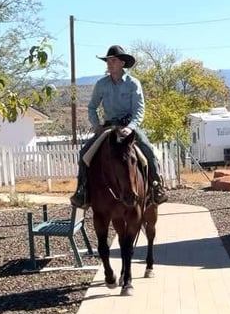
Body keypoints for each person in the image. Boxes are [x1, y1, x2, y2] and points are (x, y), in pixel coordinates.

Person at [70, 45, 168, 209]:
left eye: (113, 60)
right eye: (108, 61)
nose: (109, 64)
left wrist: (131, 127)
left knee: (148, 150)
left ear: (122, 63)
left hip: (129, 126)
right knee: (84, 154)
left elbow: (139, 109)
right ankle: (82, 191)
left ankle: (156, 186)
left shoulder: (133, 84)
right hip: (108, 127)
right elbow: (92, 107)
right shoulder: (101, 84)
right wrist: (97, 126)